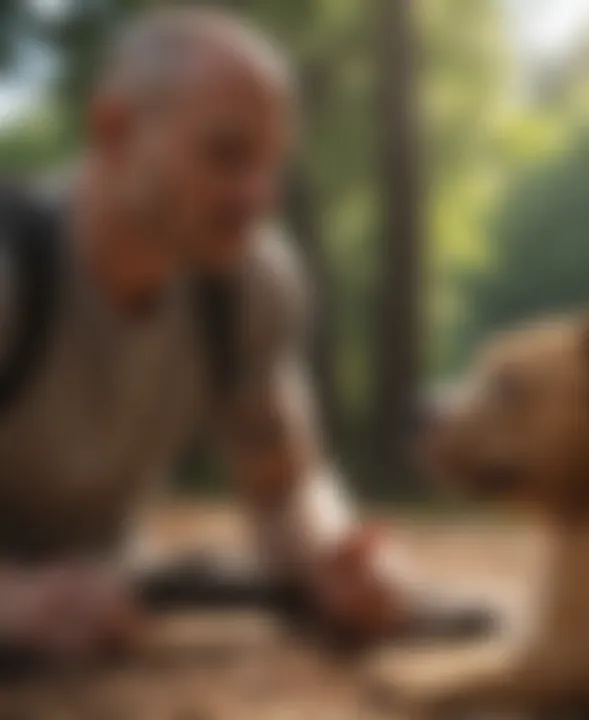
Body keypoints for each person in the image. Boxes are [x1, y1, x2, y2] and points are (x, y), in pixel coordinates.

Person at [0, 8, 489, 663]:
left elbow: (287, 486)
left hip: (100, 595)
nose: (257, 196)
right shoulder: (14, 272)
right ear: (114, 130)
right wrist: (15, 601)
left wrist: (332, 556)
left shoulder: (246, 286)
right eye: (226, 154)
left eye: (271, 164)